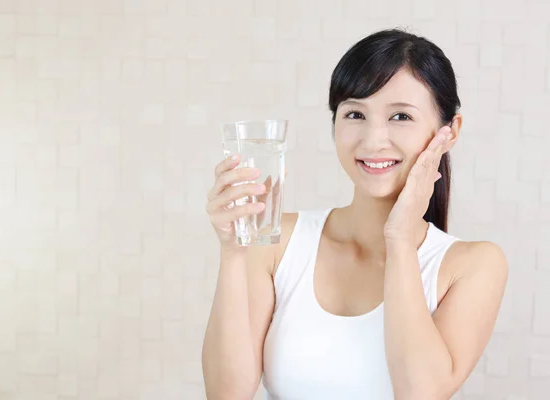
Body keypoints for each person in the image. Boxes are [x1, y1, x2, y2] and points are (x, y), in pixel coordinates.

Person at [201, 28, 508, 400]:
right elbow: (226, 394)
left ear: (449, 131)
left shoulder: (473, 265)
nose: (373, 140)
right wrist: (234, 252)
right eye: (355, 113)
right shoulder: (278, 242)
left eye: (400, 117)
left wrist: (399, 239)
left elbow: (419, 393)